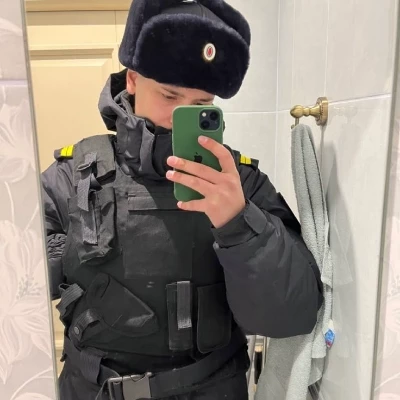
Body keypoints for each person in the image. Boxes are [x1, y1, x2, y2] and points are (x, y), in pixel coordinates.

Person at [41, 1, 323, 399]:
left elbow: (292, 316)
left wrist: (238, 224)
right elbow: (18, 282)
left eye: (200, 106)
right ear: (133, 79)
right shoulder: (73, 175)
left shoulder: (239, 183)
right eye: (169, 94)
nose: (178, 117)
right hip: (91, 389)